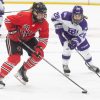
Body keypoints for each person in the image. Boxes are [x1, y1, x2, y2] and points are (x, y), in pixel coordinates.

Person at [0, 2, 49, 88]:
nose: (42, 16)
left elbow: (44, 38)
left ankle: (22, 71)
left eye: (44, 14)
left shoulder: (44, 23)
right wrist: (12, 31)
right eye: (40, 14)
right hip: (14, 38)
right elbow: (8, 19)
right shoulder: (24, 16)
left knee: (39, 55)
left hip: (28, 39)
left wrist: (39, 47)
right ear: (34, 12)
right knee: (15, 58)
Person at [51, 5, 100, 75]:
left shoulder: (84, 24)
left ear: (82, 15)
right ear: (72, 14)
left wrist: (75, 42)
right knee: (67, 48)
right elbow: (53, 16)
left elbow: (82, 37)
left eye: (79, 16)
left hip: (77, 36)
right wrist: (58, 26)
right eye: (75, 16)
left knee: (85, 50)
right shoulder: (65, 15)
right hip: (64, 34)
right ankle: (65, 65)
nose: (77, 18)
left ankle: (90, 65)